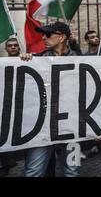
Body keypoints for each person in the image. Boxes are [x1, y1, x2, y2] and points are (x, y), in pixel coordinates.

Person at [19, 22, 80, 177]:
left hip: (72, 128)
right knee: (33, 171)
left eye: (48, 34)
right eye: (43, 34)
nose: (43, 37)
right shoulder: (37, 59)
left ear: (61, 38)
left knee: (72, 171)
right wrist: (25, 60)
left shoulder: (80, 60)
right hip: (43, 127)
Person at [0, 38, 21, 177]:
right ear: (6, 49)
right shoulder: (2, 64)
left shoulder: (28, 60)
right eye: (10, 46)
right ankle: (6, 162)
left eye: (15, 45)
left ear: (19, 48)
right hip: (7, 103)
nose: (13, 47)